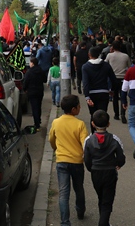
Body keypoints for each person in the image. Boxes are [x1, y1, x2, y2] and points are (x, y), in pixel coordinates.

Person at [49, 95, 88, 226]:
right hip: (77, 162)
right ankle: (80, 210)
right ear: (73, 109)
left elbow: (52, 140)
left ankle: (65, 222)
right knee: (79, 188)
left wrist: (56, 149)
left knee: (64, 193)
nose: (80, 107)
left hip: (61, 161)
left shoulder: (56, 122)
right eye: (78, 106)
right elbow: (85, 144)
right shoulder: (80, 124)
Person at [84, 110, 125, 226]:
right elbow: (121, 156)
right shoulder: (114, 139)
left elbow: (86, 158)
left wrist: (90, 168)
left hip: (96, 172)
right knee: (107, 201)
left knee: (101, 197)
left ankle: (104, 222)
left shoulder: (88, 140)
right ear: (108, 124)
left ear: (92, 124)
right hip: (109, 172)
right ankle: (103, 223)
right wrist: (118, 164)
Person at [82, 46, 117, 120]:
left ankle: (94, 131)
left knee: (93, 115)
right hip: (104, 93)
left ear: (89, 55)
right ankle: (102, 130)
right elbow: (113, 79)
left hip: (92, 94)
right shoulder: (106, 65)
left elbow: (85, 83)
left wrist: (87, 96)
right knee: (102, 115)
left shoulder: (85, 67)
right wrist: (112, 90)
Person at [105, 41, 131, 122]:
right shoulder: (125, 56)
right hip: (123, 79)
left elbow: (105, 65)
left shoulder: (109, 55)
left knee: (115, 97)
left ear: (112, 47)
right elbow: (129, 67)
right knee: (123, 96)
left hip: (113, 79)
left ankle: (116, 114)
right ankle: (123, 113)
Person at [22, 56, 47, 130]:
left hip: (32, 91)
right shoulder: (41, 71)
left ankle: (37, 124)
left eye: (30, 62)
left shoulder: (29, 72)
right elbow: (45, 80)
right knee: (39, 106)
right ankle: (38, 120)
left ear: (32, 63)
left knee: (34, 107)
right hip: (39, 91)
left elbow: (25, 82)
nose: (29, 64)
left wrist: (25, 89)